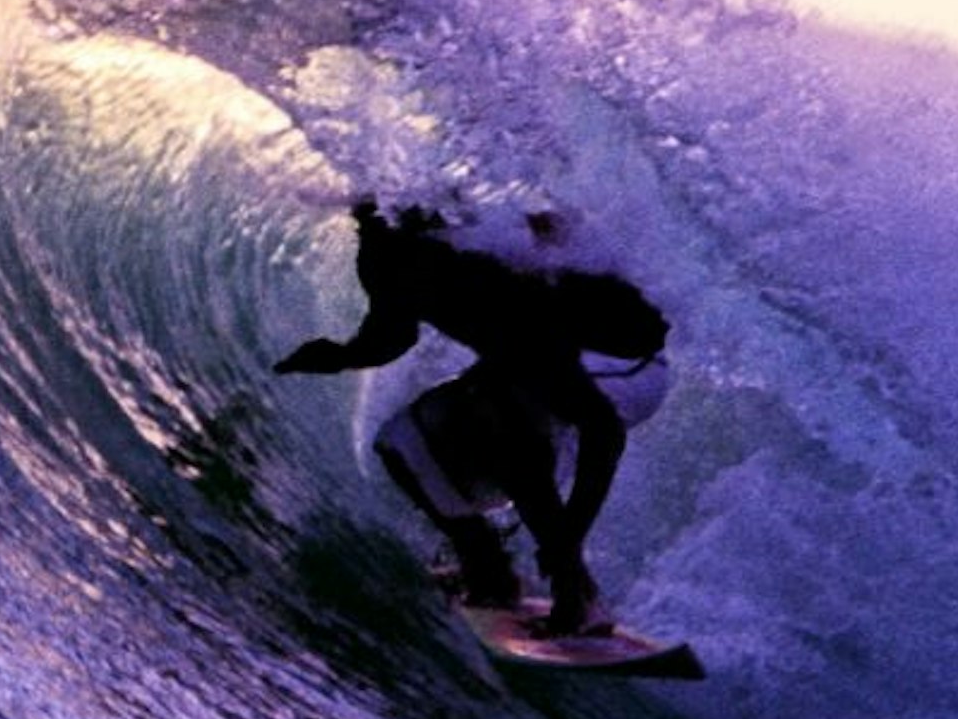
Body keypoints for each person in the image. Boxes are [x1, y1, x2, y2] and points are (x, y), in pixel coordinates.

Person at [275, 198, 669, 636]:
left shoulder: (493, 283)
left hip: (627, 367)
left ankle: (576, 592)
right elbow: (392, 333)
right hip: (540, 363)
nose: (367, 234)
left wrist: (570, 534)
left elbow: (604, 429)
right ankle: (488, 566)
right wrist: (343, 355)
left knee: (501, 418)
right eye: (365, 224)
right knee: (401, 444)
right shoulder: (386, 250)